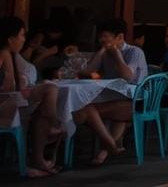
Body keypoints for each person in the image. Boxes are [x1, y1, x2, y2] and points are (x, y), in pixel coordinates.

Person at [0, 16, 65, 177]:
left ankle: (38, 158)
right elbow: (8, 85)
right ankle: (54, 124)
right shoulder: (4, 54)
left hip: (10, 100)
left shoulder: (11, 54)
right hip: (4, 105)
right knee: (48, 91)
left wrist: (21, 83)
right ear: (10, 39)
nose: (24, 39)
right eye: (22, 35)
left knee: (47, 95)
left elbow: (16, 80)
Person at [76, 18, 145, 165]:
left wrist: (117, 56)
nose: (101, 40)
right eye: (100, 36)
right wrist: (101, 52)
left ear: (119, 37)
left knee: (88, 110)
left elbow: (128, 76)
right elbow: (89, 71)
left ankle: (108, 148)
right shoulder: (105, 53)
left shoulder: (134, 52)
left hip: (135, 102)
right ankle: (111, 147)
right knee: (83, 109)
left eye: (105, 37)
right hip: (113, 99)